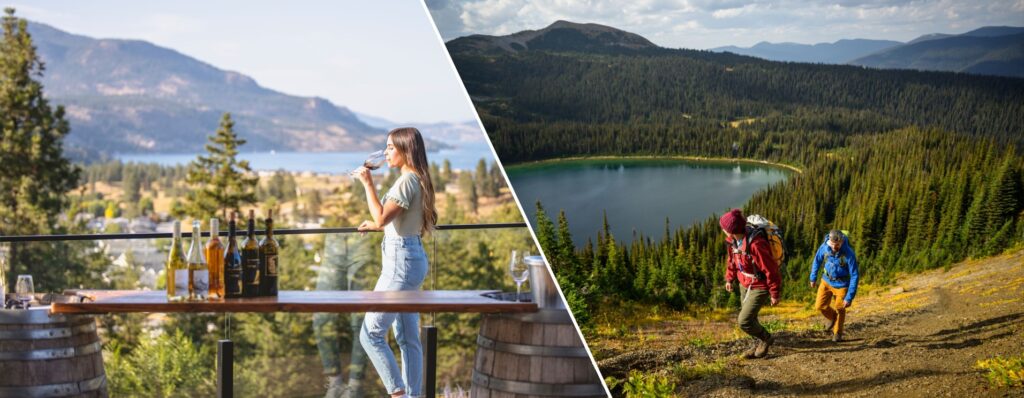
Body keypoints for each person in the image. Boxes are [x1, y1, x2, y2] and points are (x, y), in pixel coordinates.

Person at [352, 127, 437, 398]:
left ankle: (397, 393)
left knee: (371, 333)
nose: (386, 152)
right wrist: (378, 226)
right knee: (407, 338)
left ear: (405, 149)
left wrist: (367, 183)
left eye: (390, 147)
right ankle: (413, 396)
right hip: (412, 258)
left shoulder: (406, 181)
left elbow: (381, 218)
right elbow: (400, 222)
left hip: (400, 264)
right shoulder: (418, 178)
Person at [314, 233, 371, 398]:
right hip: (334, 236)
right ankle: (335, 382)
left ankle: (355, 386)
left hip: (365, 236)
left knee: (362, 320)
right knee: (321, 319)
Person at [720, 208, 782, 359]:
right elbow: (732, 261)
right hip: (744, 282)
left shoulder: (756, 244)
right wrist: (729, 278)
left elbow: (771, 269)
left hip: (759, 285)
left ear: (731, 230)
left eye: (724, 228)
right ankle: (758, 342)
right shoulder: (733, 241)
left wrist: (774, 292)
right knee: (750, 318)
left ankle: (766, 338)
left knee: (744, 320)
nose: (722, 230)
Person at [809, 229, 859, 342]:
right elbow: (817, 260)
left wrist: (849, 297)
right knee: (819, 306)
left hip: (842, 285)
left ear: (841, 241)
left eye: (837, 244)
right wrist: (813, 277)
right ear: (829, 241)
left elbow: (855, 275)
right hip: (826, 281)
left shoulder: (849, 253)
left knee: (840, 308)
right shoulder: (824, 247)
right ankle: (832, 317)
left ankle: (837, 333)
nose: (834, 247)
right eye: (832, 244)